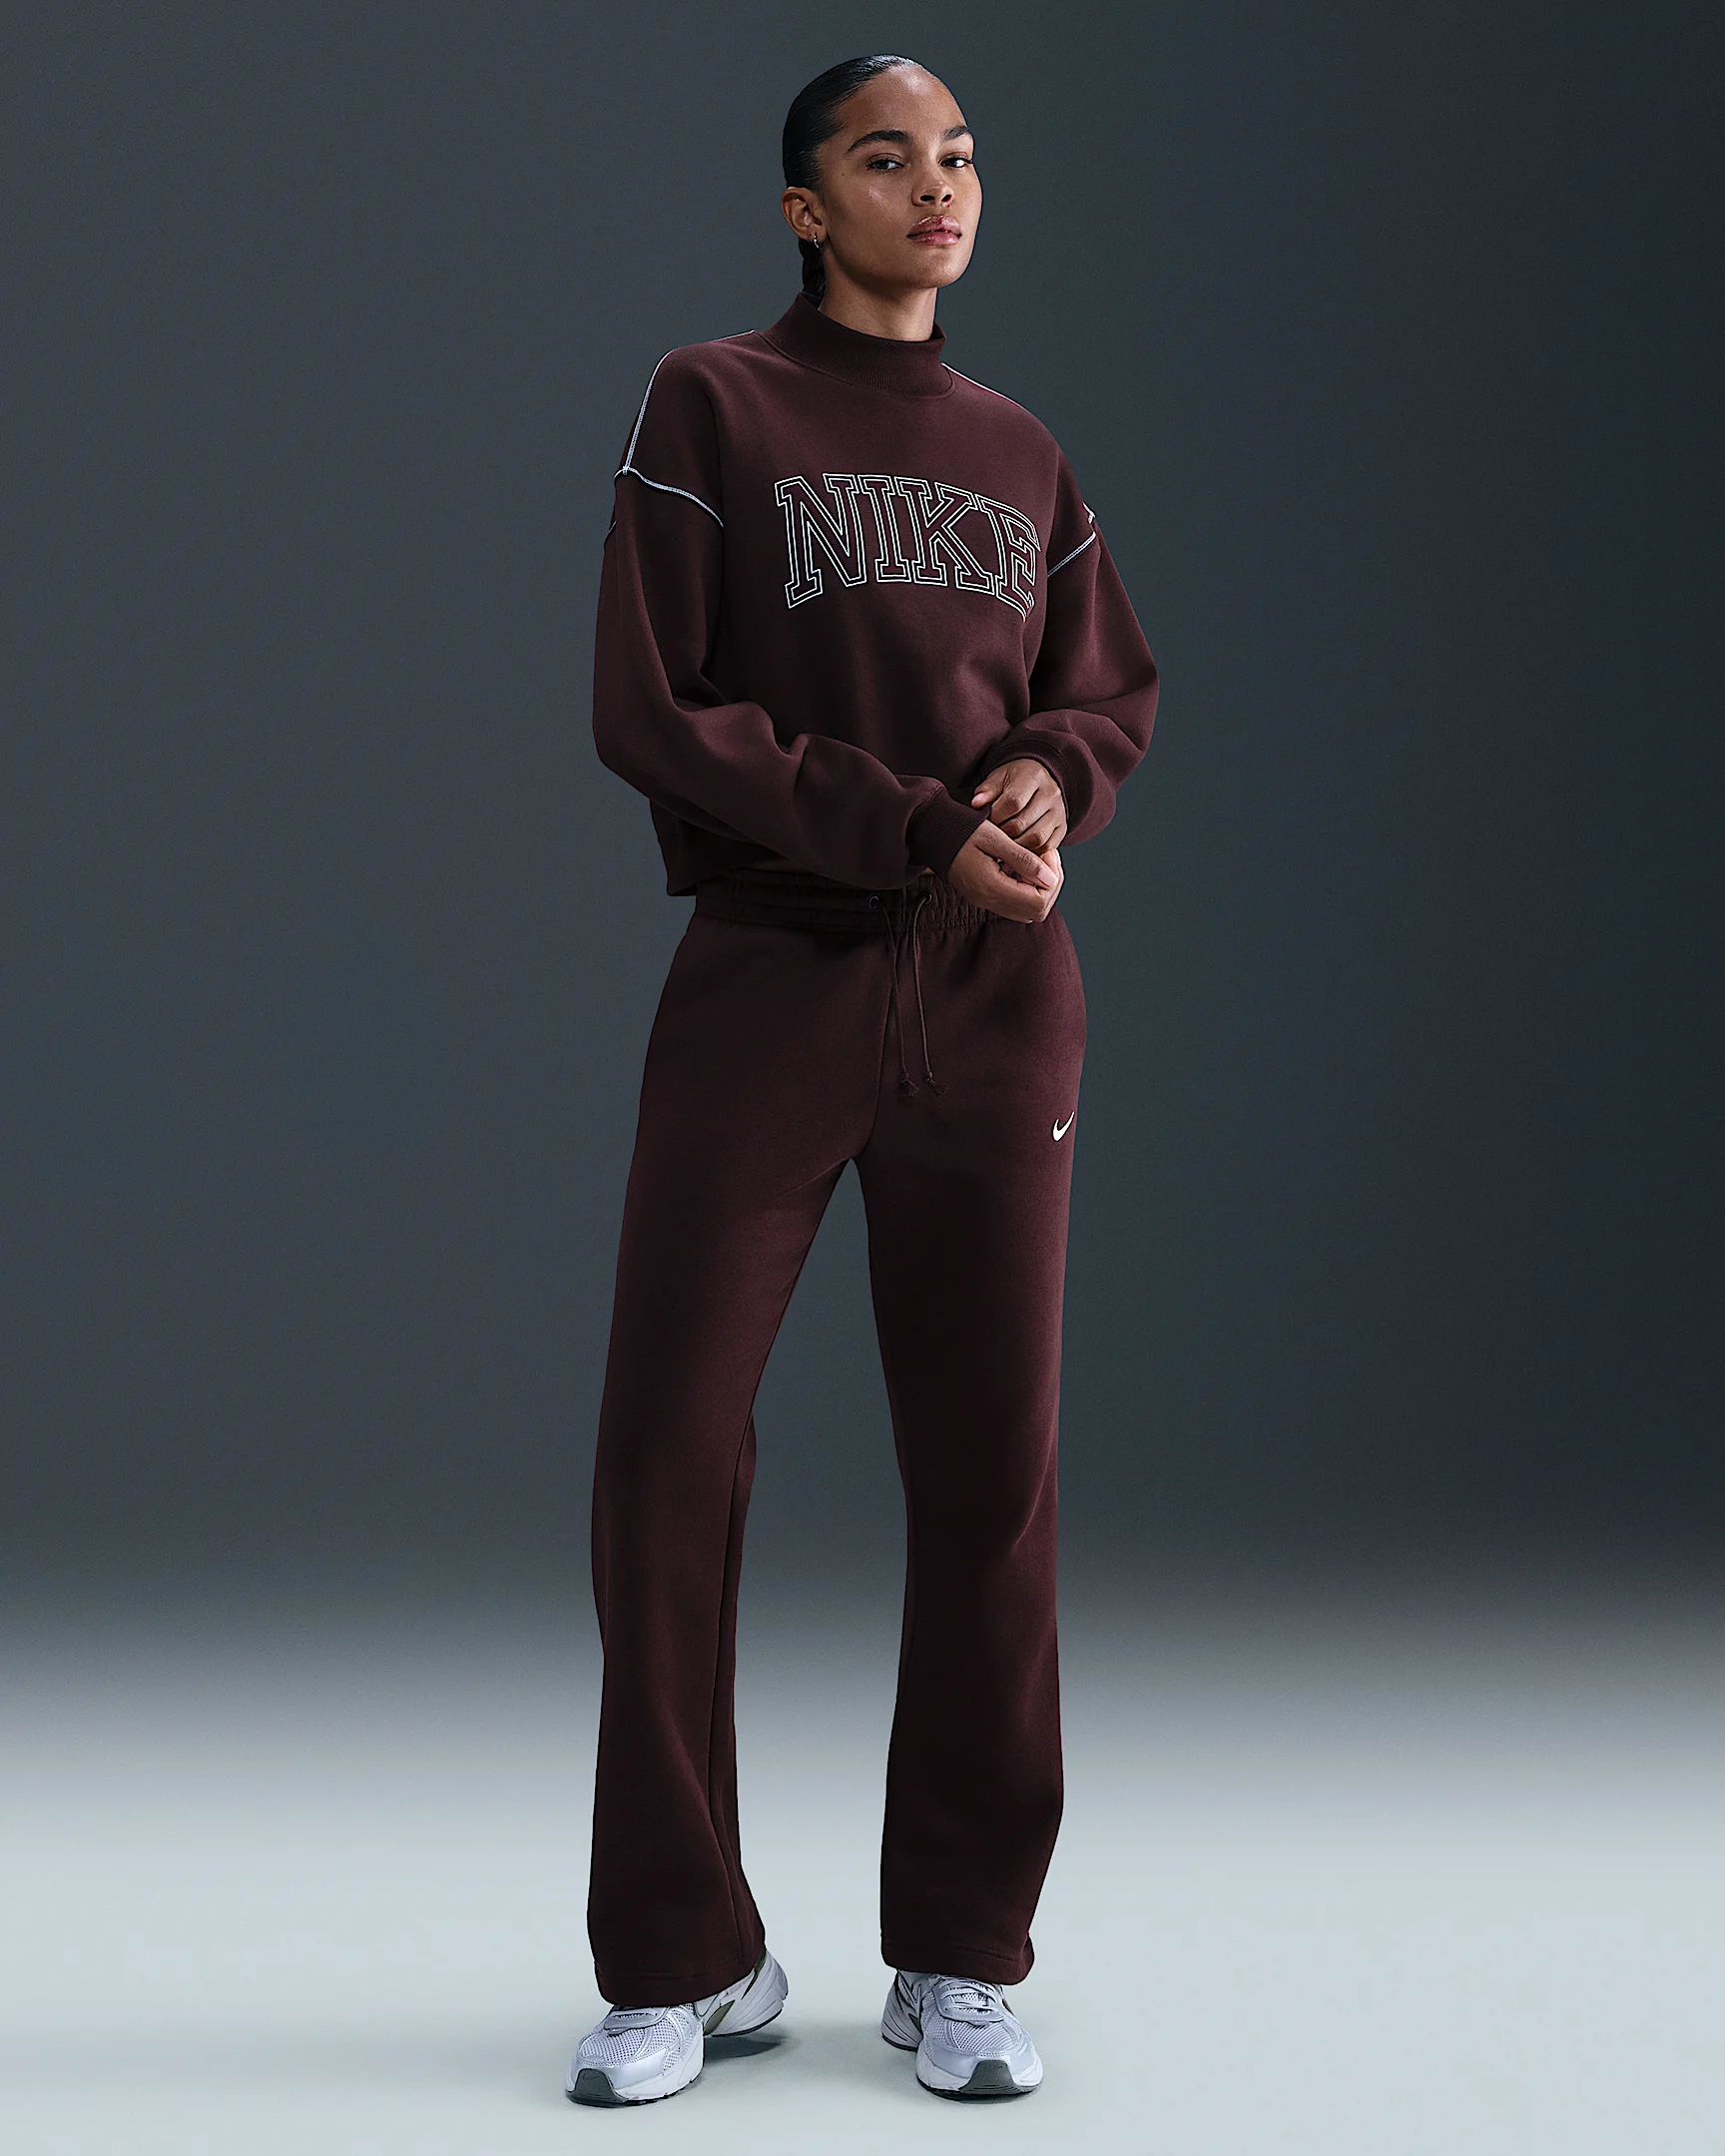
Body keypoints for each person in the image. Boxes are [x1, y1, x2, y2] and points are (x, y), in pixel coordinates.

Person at [566, 54, 1159, 2107]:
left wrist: (1047, 775)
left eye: (962, 156)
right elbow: (650, 705)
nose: (939, 187)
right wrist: (913, 824)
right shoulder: (710, 405)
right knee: (666, 1453)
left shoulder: (1020, 450)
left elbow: (1107, 689)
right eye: (887, 158)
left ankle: (962, 1954)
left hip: (998, 999)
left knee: (993, 1470)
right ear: (806, 207)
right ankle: (685, 1957)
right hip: (770, 975)